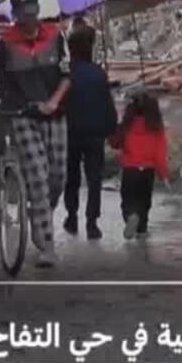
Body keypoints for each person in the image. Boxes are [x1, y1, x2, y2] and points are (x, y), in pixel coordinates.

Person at [0, 0, 72, 268]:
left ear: (38, 12)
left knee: (57, 176)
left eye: (32, 14)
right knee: (38, 174)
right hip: (21, 115)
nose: (29, 21)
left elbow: (66, 75)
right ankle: (46, 244)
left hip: (55, 114)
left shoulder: (56, 36)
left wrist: (53, 101)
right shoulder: (3, 43)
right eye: (23, 15)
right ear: (16, 15)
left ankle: (39, 213)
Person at [62, 26, 118, 239]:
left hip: (71, 132)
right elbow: (107, 105)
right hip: (95, 134)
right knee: (94, 179)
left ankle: (71, 217)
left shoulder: (66, 74)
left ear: (71, 49)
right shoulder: (98, 74)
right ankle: (92, 223)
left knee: (72, 177)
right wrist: (112, 128)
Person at [111, 92, 169, 240]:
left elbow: (115, 142)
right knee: (144, 202)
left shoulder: (127, 125)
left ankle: (131, 216)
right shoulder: (156, 127)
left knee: (128, 201)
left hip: (130, 169)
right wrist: (163, 174)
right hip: (148, 170)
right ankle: (142, 231)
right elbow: (160, 153)